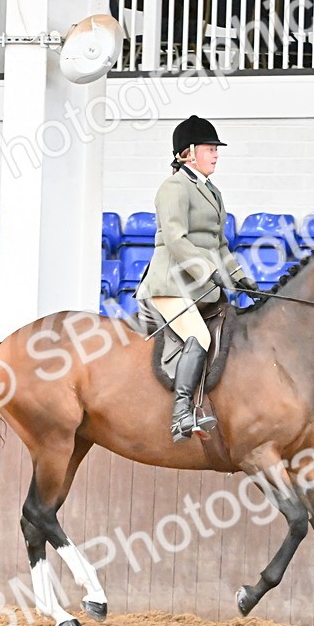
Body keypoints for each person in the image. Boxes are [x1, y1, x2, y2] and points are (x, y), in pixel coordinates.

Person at [135, 115, 257, 442]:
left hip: (201, 286)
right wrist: (209, 271)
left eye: (216, 149)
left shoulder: (212, 191)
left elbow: (220, 244)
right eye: (209, 148)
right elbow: (176, 240)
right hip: (171, 284)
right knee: (199, 336)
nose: (216, 154)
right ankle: (181, 415)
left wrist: (240, 278)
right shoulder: (174, 187)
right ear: (188, 152)